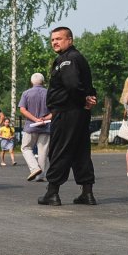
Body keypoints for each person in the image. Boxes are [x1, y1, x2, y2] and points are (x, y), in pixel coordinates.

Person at [38, 26, 98, 206]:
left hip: (67, 112)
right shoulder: (77, 57)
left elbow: (72, 85)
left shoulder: (67, 59)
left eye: (59, 39)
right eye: (52, 40)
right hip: (79, 113)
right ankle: (87, 193)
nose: (55, 42)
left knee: (59, 150)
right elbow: (86, 84)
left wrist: (82, 99)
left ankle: (52, 192)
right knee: (81, 151)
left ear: (70, 40)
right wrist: (88, 98)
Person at [18, 73, 51, 182]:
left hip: (31, 126)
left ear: (32, 82)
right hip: (46, 126)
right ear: (43, 81)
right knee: (43, 151)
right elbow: (55, 110)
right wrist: (44, 119)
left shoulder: (26, 93)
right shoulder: (49, 93)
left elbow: (22, 109)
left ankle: (34, 168)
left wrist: (35, 119)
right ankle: (40, 176)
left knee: (26, 147)